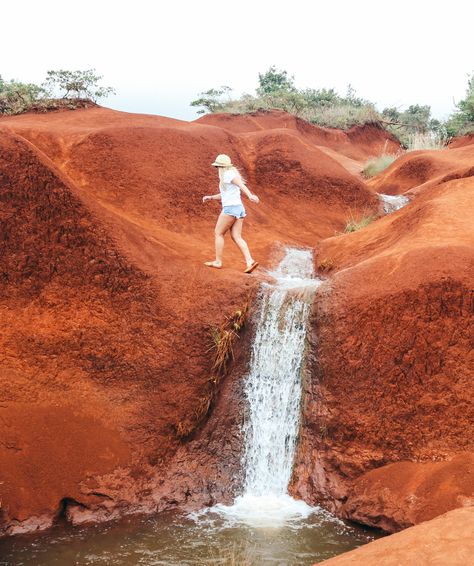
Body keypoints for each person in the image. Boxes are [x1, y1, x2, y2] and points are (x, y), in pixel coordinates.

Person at [202, 154, 260, 273]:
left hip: (230, 209)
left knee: (218, 233)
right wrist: (211, 197)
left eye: (217, 167)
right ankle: (250, 261)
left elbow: (241, 185)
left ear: (221, 167)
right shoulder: (228, 175)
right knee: (236, 236)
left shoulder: (228, 174)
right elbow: (224, 194)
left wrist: (250, 195)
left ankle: (218, 261)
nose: (217, 169)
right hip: (238, 209)